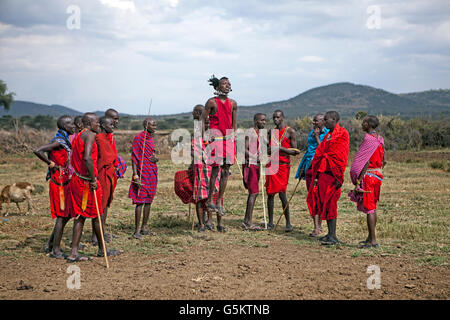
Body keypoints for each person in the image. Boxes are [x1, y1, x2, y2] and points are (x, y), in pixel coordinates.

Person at [66, 113, 122, 262]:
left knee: (81, 216)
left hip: (79, 179)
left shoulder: (79, 135)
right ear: (89, 123)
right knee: (94, 214)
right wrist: (92, 179)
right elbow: (87, 158)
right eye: (97, 122)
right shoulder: (90, 135)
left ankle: (79, 251)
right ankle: (99, 250)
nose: (98, 124)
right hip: (86, 182)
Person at [33, 115, 75, 259]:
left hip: (64, 181)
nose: (74, 126)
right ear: (64, 126)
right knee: (62, 216)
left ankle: (50, 244)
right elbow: (37, 150)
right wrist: (51, 163)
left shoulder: (64, 141)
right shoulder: (58, 142)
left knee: (66, 214)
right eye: (71, 124)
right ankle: (55, 250)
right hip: (59, 184)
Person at [307, 111, 349, 246]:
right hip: (324, 174)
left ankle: (333, 236)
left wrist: (339, 177)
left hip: (333, 175)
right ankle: (330, 234)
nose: (324, 122)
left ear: (334, 119)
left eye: (326, 119)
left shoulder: (342, 134)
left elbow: (341, 157)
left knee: (331, 205)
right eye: (324, 120)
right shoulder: (328, 136)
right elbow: (321, 151)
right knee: (324, 204)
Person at [201, 75, 237, 220]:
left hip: (228, 140)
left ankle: (219, 202)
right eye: (224, 83)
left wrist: (233, 137)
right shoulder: (211, 102)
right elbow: (203, 120)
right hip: (216, 140)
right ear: (217, 87)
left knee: (226, 171)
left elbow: (234, 123)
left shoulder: (233, 103)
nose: (227, 85)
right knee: (215, 170)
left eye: (228, 83)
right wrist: (205, 137)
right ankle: (210, 199)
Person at [348, 115, 385, 248]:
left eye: (364, 122)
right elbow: (384, 160)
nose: (362, 124)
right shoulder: (380, 138)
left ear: (368, 124)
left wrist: (358, 181)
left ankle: (373, 241)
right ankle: (370, 237)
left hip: (368, 176)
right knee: (373, 207)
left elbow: (365, 161)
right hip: (378, 175)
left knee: (369, 209)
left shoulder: (368, 139)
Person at [191, 105, 224, 232]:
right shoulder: (197, 135)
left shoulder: (215, 135)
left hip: (214, 169)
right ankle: (202, 224)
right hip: (201, 168)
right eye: (206, 121)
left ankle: (215, 223)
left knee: (215, 195)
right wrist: (201, 156)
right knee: (201, 197)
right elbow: (193, 150)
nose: (207, 122)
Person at [265, 110, 300, 232]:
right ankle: (270, 222)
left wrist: (280, 148)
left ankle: (288, 223)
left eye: (278, 117)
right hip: (272, 164)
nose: (275, 119)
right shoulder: (271, 132)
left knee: (282, 194)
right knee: (270, 194)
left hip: (283, 166)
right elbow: (267, 150)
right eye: (274, 117)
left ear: (283, 118)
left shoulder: (290, 131)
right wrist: (270, 149)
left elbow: (295, 151)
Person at [295, 114, 329, 237]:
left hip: (321, 168)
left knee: (319, 197)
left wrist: (317, 136)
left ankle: (319, 225)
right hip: (309, 166)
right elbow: (309, 151)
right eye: (313, 121)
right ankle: (316, 226)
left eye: (316, 121)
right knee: (312, 196)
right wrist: (303, 167)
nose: (314, 123)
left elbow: (323, 150)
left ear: (323, 122)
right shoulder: (311, 132)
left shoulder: (327, 134)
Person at [129, 117, 158, 239]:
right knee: (140, 202)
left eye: (156, 125)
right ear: (146, 125)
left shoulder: (150, 138)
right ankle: (136, 231)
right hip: (142, 173)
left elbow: (151, 154)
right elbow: (134, 158)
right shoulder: (139, 138)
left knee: (149, 201)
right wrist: (136, 176)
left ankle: (144, 227)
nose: (155, 127)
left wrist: (155, 159)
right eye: (152, 125)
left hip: (151, 172)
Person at [91, 116, 118, 246]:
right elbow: (105, 157)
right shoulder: (99, 138)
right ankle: (96, 237)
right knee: (100, 206)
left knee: (105, 203)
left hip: (109, 174)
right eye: (110, 125)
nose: (113, 127)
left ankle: (101, 233)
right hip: (102, 174)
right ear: (102, 125)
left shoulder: (107, 138)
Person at [242, 113, 266, 231]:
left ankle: (247, 220)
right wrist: (255, 157)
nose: (264, 122)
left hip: (255, 164)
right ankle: (248, 222)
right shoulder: (250, 132)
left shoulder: (258, 133)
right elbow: (244, 150)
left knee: (254, 193)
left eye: (265, 120)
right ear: (255, 121)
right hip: (250, 164)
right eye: (262, 120)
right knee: (253, 192)